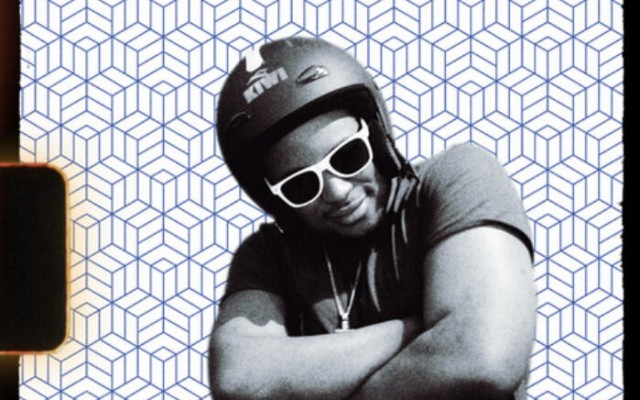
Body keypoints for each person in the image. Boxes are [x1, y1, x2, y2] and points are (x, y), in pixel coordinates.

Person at [209, 37, 537, 400]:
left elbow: (482, 357)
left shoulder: (456, 178)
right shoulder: (268, 254)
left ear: (377, 137)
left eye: (347, 156)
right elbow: (240, 379)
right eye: (301, 185)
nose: (337, 191)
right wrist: (414, 330)